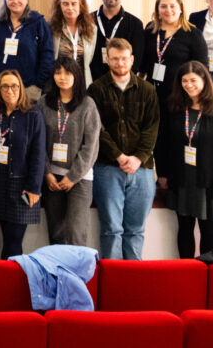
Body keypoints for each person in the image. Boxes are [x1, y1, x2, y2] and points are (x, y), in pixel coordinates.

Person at [87, 38, 159, 260]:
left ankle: (132, 281)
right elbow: (96, 128)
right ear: (107, 59)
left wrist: (137, 158)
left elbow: (152, 127)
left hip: (142, 169)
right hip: (108, 167)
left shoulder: (147, 89)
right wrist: (118, 156)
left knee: (136, 230)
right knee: (111, 229)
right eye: (115, 59)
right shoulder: (96, 89)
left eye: (124, 58)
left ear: (132, 59)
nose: (120, 63)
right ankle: (112, 281)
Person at [156, 60, 213, 258]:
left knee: (208, 230)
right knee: (184, 228)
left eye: (193, 80)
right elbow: (163, 143)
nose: (189, 85)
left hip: (208, 180)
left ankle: (209, 272)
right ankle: (187, 272)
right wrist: (163, 173)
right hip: (182, 178)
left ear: (204, 80)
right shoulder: (174, 107)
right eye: (184, 81)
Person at [41, 56, 100, 247]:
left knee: (76, 232)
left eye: (67, 72)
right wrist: (47, 173)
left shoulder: (87, 104)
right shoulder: (44, 103)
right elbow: (38, 143)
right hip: (52, 178)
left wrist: (73, 176)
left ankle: (78, 276)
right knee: (56, 232)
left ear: (77, 76)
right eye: (58, 72)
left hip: (80, 178)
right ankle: (57, 275)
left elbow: (90, 146)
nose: (62, 77)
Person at [0, 70, 46, 259]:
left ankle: (6, 281)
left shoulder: (33, 114)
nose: (9, 90)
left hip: (22, 187)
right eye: (5, 86)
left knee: (13, 242)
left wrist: (34, 188)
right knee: (5, 238)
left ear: (21, 88)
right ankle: (11, 278)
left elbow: (38, 154)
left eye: (14, 86)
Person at [139, 0, 208, 109]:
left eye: (172, 6)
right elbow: (144, 61)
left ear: (181, 9)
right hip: (151, 92)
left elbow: (202, 67)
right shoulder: (150, 30)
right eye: (163, 6)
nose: (168, 10)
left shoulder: (193, 33)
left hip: (179, 94)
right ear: (157, 10)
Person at [0, 0, 54, 100]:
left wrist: (38, 83)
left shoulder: (38, 22)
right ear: (5, 1)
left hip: (29, 87)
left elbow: (47, 54)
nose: (15, 1)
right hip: (1, 86)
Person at [91, 0, 146, 84]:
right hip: (92, 83)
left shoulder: (135, 24)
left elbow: (137, 59)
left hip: (123, 84)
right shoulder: (88, 20)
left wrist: (124, 81)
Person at [49, 0, 97, 89]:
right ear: (60, 6)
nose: (70, 8)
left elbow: (89, 58)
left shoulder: (92, 29)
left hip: (82, 82)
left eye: (74, 4)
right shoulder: (51, 28)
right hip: (59, 81)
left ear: (81, 6)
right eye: (65, 4)